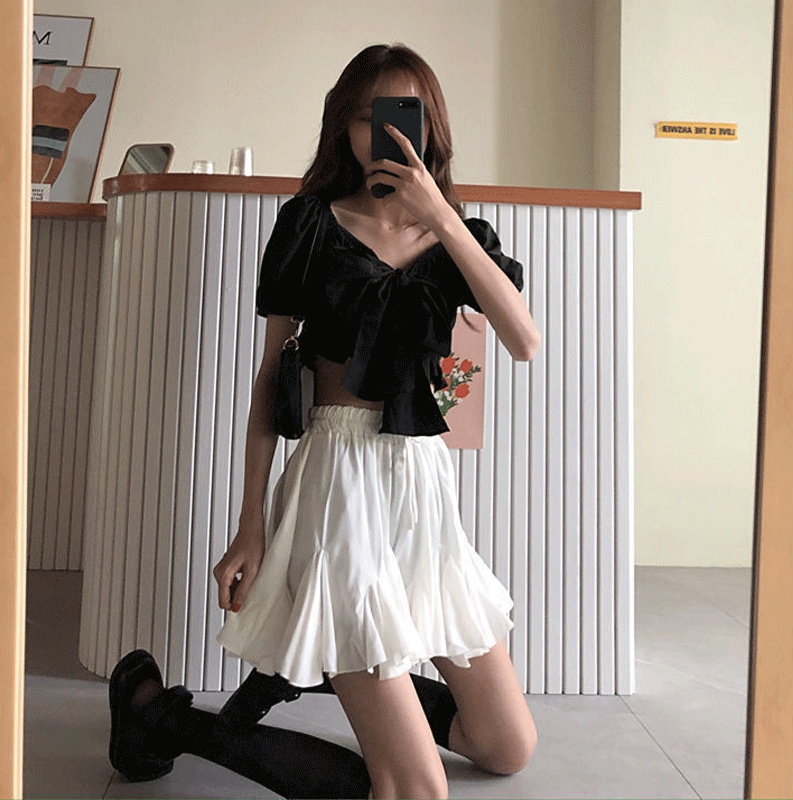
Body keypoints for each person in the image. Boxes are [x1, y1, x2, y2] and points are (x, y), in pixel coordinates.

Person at [108, 43, 540, 800]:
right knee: (415, 790)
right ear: (343, 126)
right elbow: (270, 379)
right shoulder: (310, 224)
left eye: (404, 116)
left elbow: (523, 341)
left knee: (507, 747)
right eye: (368, 117)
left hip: (421, 489)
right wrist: (250, 526)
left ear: (431, 127)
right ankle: (163, 719)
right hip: (335, 485)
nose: (386, 133)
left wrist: (439, 214)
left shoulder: (458, 237)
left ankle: (327, 671)